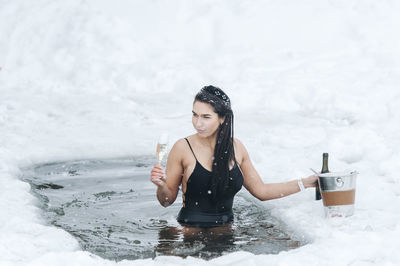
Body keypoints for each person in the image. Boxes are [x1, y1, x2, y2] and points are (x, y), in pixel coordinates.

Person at [150, 85, 317, 228]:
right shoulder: (182, 148)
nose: (197, 123)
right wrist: (161, 185)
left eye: (206, 117)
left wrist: (306, 183)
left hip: (227, 233)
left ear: (222, 118)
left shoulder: (237, 148)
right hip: (188, 234)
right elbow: (166, 201)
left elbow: (262, 191)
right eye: (195, 115)